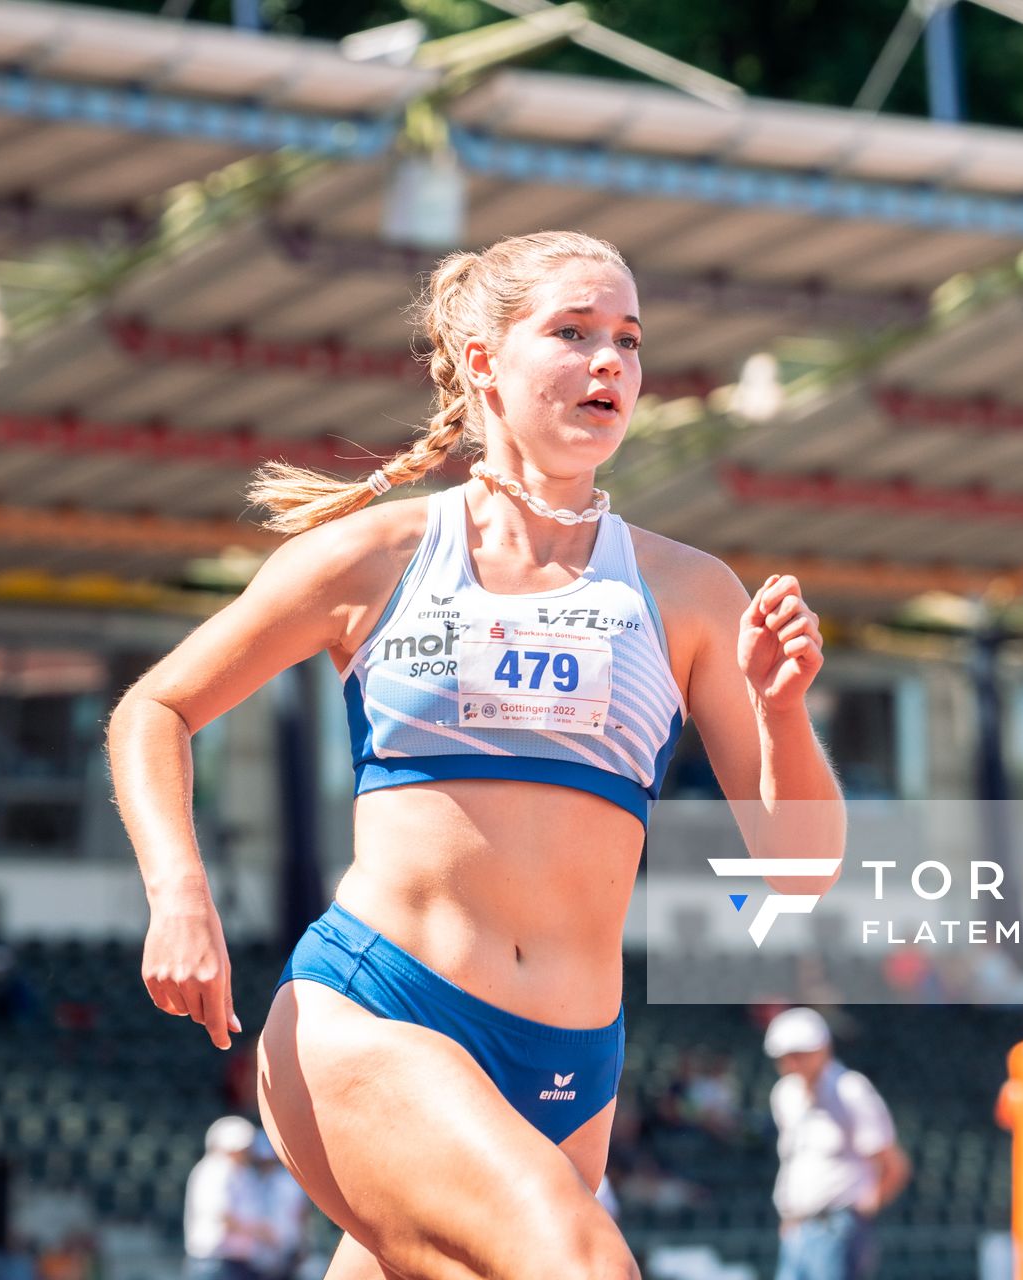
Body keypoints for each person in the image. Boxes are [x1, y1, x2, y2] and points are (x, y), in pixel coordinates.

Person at [108, 228, 844, 1278]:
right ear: (483, 360)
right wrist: (179, 890)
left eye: (629, 341)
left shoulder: (689, 591)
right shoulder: (379, 555)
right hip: (378, 1010)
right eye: (574, 332)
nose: (610, 364)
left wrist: (781, 712)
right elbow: (157, 706)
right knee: (587, 1265)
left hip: (571, 1068)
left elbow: (800, 868)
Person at [765, 1007, 910, 1280]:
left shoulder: (850, 1090)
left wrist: (864, 1208)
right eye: (784, 1057)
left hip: (837, 1228)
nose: (792, 1064)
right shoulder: (784, 1095)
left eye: (799, 1054)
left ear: (823, 1048)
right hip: (797, 1230)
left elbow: (893, 1164)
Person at [184, 1117, 267, 1280]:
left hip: (237, 1260)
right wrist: (260, 1232)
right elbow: (222, 1214)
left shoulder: (243, 1173)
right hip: (215, 1260)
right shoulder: (215, 1169)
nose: (246, 1152)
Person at [247, 1130, 311, 1280]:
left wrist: (303, 1245)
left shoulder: (290, 1182)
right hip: (255, 1253)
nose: (266, 1162)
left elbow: (301, 1216)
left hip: (287, 1249)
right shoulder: (249, 1179)